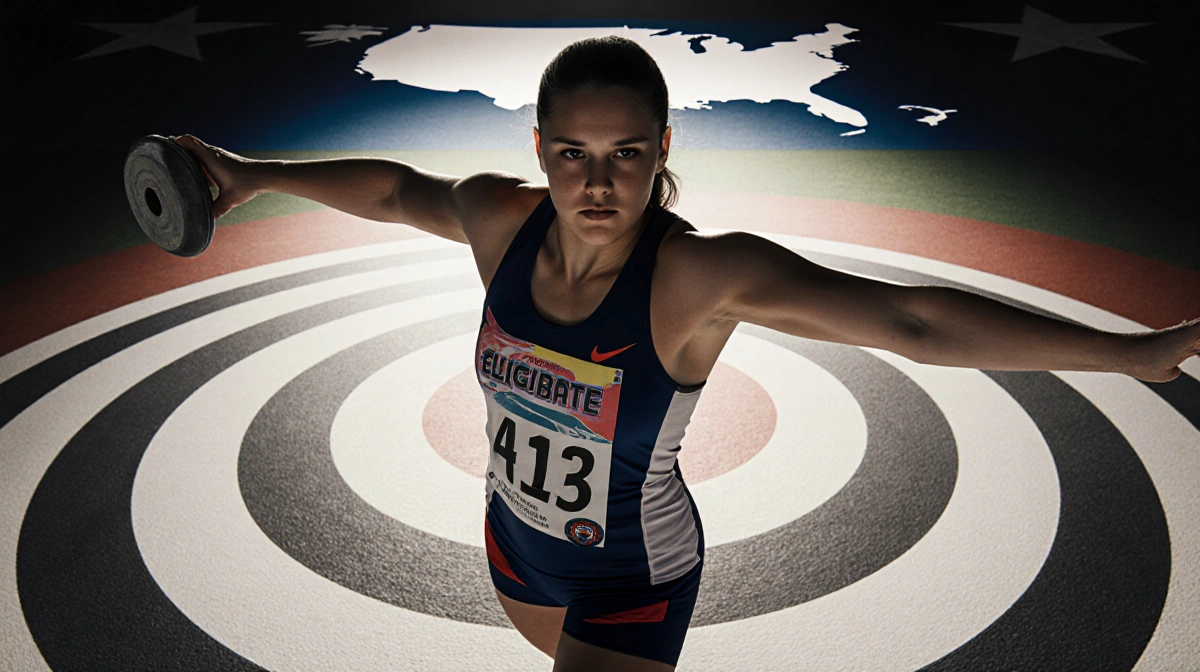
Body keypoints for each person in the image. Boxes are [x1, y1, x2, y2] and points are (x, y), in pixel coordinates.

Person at [174, 36, 1200, 672]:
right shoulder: (498, 220)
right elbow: (399, 191)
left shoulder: (699, 276)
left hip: (633, 578)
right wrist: (251, 174)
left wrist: (1132, 352)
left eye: (626, 154)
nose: (597, 184)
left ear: (663, 147)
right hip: (512, 547)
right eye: (573, 154)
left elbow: (913, 323)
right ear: (541, 151)